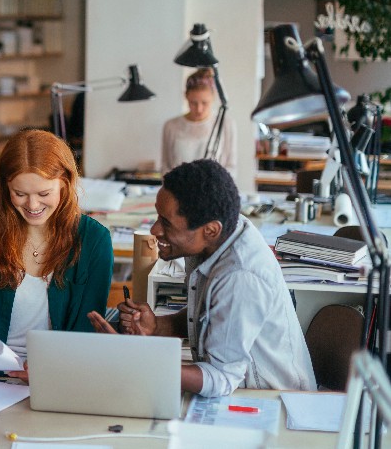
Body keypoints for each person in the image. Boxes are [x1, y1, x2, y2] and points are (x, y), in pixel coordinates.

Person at [88, 159, 316, 397]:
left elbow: (221, 378)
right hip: (240, 389)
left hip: (272, 401)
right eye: (158, 217)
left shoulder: (240, 277)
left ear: (210, 230)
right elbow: (212, 317)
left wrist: (135, 359)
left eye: (167, 223)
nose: (155, 230)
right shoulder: (220, 234)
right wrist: (157, 326)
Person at [0, 129, 113, 382]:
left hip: (57, 378)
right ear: (5, 186)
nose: (32, 206)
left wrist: (51, 367)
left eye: (44, 194)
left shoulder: (94, 241)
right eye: (20, 194)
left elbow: (88, 331)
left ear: (65, 183)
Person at [161, 68, 236, 175]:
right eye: (193, 103)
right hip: (179, 189)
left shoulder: (225, 125)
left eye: (204, 103)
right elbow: (165, 167)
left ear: (213, 97)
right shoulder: (171, 126)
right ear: (186, 96)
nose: (199, 109)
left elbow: (231, 167)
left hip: (213, 189)